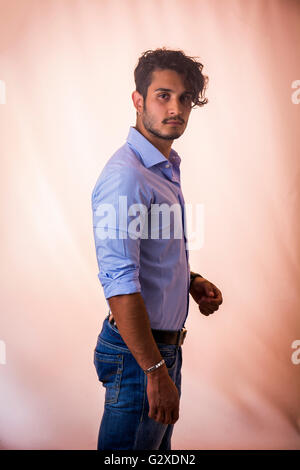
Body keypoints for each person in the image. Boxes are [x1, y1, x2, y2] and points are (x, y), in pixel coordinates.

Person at [91, 47, 223, 450]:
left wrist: (191, 279)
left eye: (185, 98)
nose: (176, 108)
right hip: (140, 357)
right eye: (163, 95)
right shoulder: (127, 176)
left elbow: (150, 255)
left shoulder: (163, 168)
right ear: (138, 100)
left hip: (160, 351)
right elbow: (120, 284)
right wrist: (154, 371)